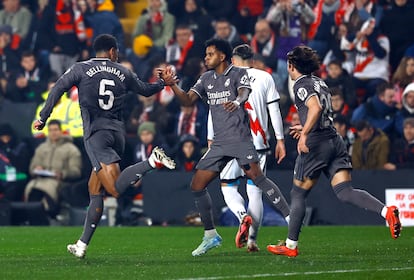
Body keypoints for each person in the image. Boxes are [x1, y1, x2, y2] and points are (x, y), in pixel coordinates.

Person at [33, 34, 177, 258]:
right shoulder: (124, 71)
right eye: (116, 51)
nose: (116, 54)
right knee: (95, 190)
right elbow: (145, 90)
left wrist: (43, 117)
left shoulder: (80, 68)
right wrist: (163, 83)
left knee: (114, 190)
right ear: (111, 51)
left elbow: (57, 89)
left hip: (95, 135)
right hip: (117, 134)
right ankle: (81, 245)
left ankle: (152, 161)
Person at [267, 45, 401, 258]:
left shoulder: (301, 84)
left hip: (316, 144)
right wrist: (305, 126)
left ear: (291, 66)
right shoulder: (320, 82)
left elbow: (315, 108)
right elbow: (324, 112)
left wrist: (304, 135)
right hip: (333, 139)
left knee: (298, 192)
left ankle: (291, 246)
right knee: (345, 191)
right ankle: (386, 212)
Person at [167, 38, 290, 256]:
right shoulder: (205, 78)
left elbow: (244, 92)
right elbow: (187, 101)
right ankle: (210, 235)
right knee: (197, 185)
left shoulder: (239, 73)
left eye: (210, 54)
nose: (206, 58)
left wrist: (237, 101)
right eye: (205, 55)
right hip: (220, 144)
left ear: (222, 56)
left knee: (259, 180)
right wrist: (173, 85)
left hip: (241, 140)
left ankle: (291, 219)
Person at [208, 44, 287, 252]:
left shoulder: (224, 78)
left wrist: (210, 138)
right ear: (251, 59)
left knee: (228, 186)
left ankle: (243, 216)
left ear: (233, 60)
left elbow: (213, 112)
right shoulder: (265, 77)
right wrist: (280, 139)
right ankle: (252, 241)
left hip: (229, 141)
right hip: (257, 144)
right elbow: (275, 111)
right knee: (255, 192)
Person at [25, 119, 82, 219]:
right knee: (31, 188)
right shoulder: (41, 148)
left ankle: (48, 214)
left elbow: (76, 171)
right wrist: (36, 168)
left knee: (46, 189)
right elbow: (32, 167)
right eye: (50, 130)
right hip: (39, 180)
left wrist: (62, 174)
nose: (53, 133)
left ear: (61, 131)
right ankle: (32, 215)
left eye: (55, 130)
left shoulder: (71, 149)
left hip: (58, 181)